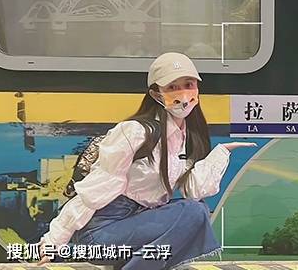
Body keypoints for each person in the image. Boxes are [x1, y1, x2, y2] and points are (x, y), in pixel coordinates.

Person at [38, 52, 256, 269]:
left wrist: (220, 154)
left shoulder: (187, 137)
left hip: (137, 223)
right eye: (172, 87)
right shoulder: (135, 132)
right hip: (100, 233)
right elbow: (92, 194)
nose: (183, 94)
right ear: (156, 94)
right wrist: (53, 241)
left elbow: (194, 191)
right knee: (194, 212)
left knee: (197, 209)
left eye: (188, 85)